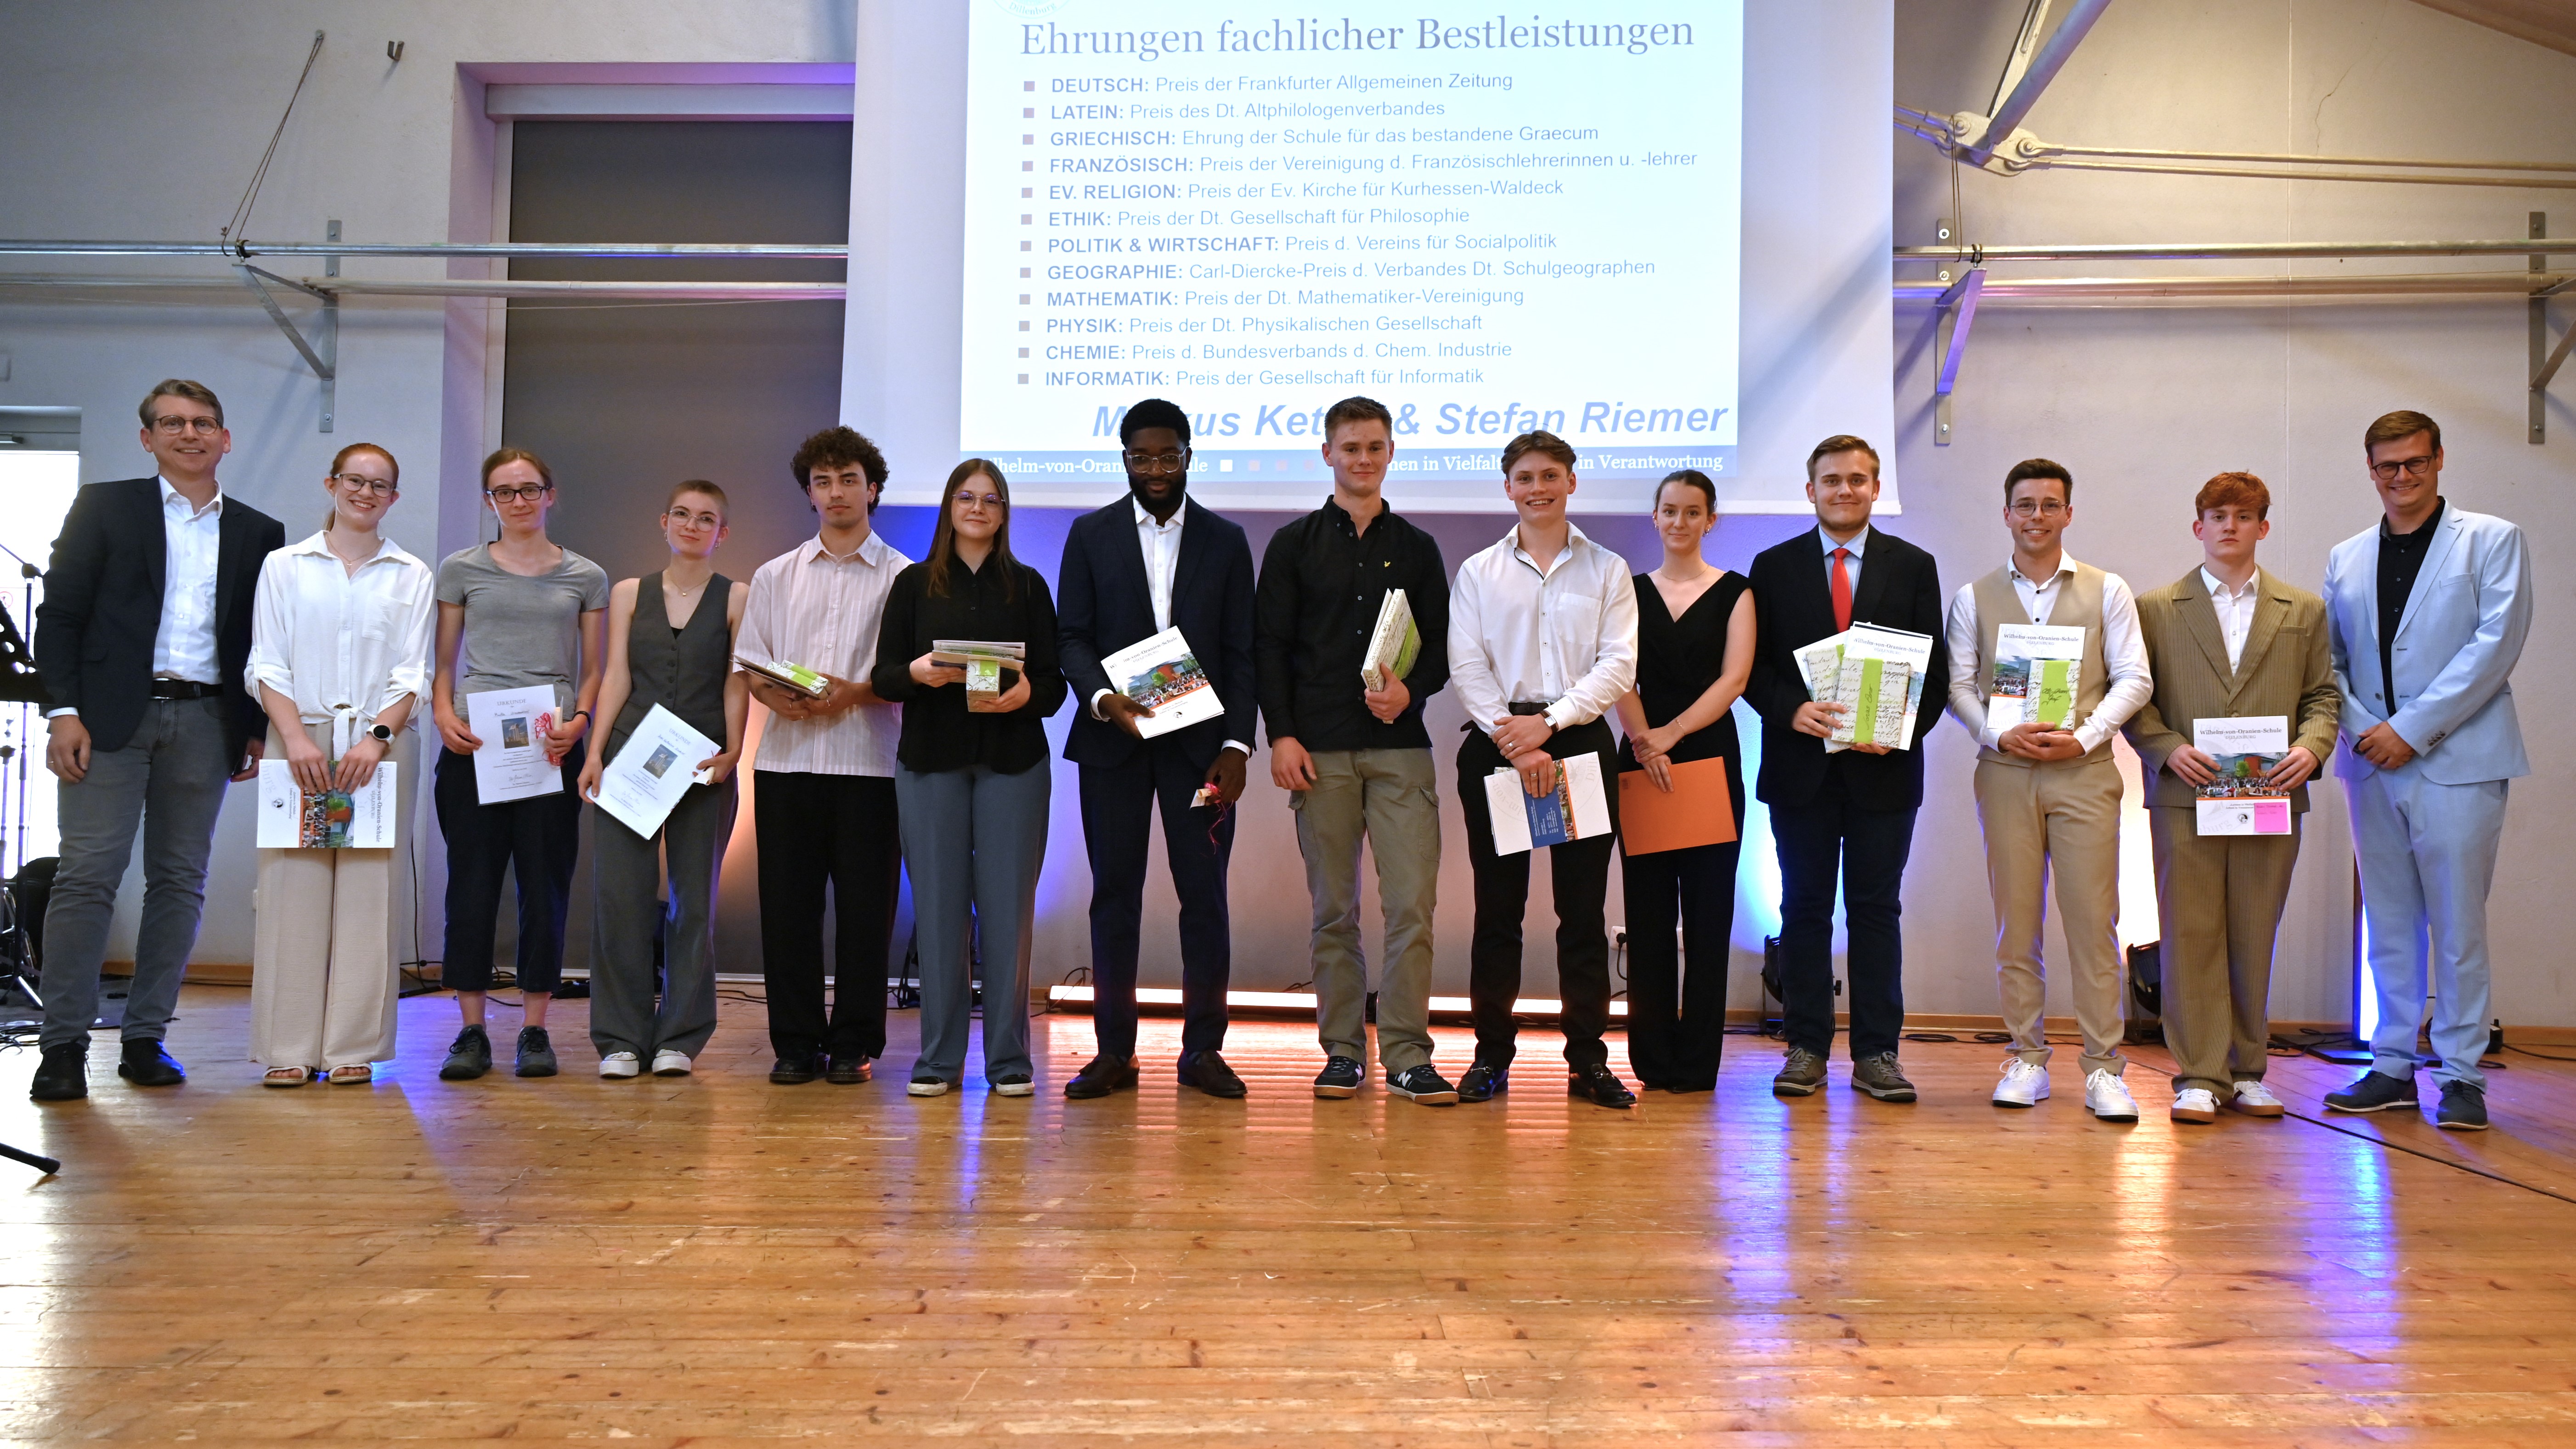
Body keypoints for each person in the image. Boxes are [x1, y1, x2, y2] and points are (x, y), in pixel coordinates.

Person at [28, 379, 285, 1103]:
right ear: (148, 439)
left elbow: (260, 639)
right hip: (107, 720)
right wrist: (63, 711)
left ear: (225, 439)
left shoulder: (259, 531)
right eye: (172, 422)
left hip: (206, 721)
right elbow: (61, 615)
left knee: (178, 881)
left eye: (203, 422)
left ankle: (146, 1037)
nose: (189, 433)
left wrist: (255, 726)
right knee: (86, 877)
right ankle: (63, 1045)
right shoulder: (105, 507)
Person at [2321, 411, 2531, 1132]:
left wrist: (2410, 730)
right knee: (2388, 922)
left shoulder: (2493, 540)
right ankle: (2391, 1066)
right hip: (2371, 763)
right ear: (2371, 469)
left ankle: (2463, 1074)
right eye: (2388, 465)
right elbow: (2329, 661)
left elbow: (2494, 647)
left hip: (2459, 760)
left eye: (2414, 461)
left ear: (2439, 459)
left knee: (2457, 923)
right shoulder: (2347, 556)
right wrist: (2365, 730)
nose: (2402, 476)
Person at [1253, 396, 1454, 1105]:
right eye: (1350, 447)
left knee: (1412, 908)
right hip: (1319, 752)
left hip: (1401, 751)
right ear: (1327, 454)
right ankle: (1343, 1051)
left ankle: (1406, 1055)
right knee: (1333, 912)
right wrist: (1281, 734)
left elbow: (1441, 649)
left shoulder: (1420, 547)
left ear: (1391, 452)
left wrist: (1412, 691)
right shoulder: (1293, 545)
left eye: (1374, 447)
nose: (1363, 458)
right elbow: (1269, 648)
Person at [1056, 399, 1258, 1100]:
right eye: (1141, 457)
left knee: (1204, 897)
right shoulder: (1090, 534)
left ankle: (1203, 1049)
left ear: (1188, 456)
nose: (1156, 468)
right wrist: (1103, 700)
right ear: (1124, 460)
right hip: (1114, 741)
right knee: (1114, 897)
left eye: (1168, 455)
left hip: (1203, 751)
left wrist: (1237, 744)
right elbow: (1072, 637)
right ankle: (1115, 1051)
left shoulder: (1226, 540)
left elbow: (1241, 649)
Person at [2122, 471, 2338, 1125]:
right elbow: (2135, 696)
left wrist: (2313, 748)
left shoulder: (2303, 609)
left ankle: (2247, 1071)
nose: (2229, 527)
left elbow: (2322, 695)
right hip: (2185, 794)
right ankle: (2198, 1074)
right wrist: (2165, 748)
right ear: (2199, 527)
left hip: (2271, 794)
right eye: (2217, 516)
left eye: (2243, 516)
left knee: (2253, 931)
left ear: (2263, 527)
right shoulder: (2156, 607)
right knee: (2190, 934)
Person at [1943, 458, 2153, 1121]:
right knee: (2017, 924)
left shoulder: (2108, 590)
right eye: (2026, 505)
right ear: (2007, 514)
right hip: (2005, 773)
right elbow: (1957, 685)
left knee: (2095, 923)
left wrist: (2086, 737)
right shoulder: (1973, 597)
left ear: (2069, 513)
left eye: (2050, 505)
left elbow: (2135, 678)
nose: (2038, 516)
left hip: (2083, 773)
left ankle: (2104, 1068)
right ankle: (2027, 1057)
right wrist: (1995, 734)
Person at [1746, 435, 1949, 1104]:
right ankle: (1806, 1046)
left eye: (1857, 479)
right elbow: (1753, 669)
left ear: (1875, 488)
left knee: (1875, 911)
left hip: (1883, 773)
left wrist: (1898, 732)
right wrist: (1791, 710)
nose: (1844, 490)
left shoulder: (1913, 565)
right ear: (1811, 490)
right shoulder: (1772, 567)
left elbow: (1935, 673)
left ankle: (1877, 1054)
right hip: (1800, 769)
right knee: (1803, 909)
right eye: (1831, 480)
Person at [1449, 430, 1641, 1110]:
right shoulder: (1478, 572)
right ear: (1508, 488)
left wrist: (1550, 725)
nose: (1539, 488)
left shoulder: (1608, 569)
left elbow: (1619, 665)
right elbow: (1467, 665)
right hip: (1501, 744)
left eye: (1551, 475)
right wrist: (1518, 741)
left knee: (1581, 913)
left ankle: (1588, 1060)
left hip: (1578, 743)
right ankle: (1490, 1056)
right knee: (1498, 913)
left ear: (1572, 481)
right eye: (1526, 478)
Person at [870, 460, 1066, 1098]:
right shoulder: (913, 584)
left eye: (991, 499)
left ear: (1004, 512)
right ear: (949, 508)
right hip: (931, 762)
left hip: (1015, 763)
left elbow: (1054, 685)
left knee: (1009, 915)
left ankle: (1008, 1061)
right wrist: (918, 672)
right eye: (966, 497)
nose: (978, 508)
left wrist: (1029, 692)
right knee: (938, 914)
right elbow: (884, 677)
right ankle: (938, 1060)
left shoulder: (1029, 586)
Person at [243, 443, 435, 1087]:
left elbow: (414, 672)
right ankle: (289, 1046)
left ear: (394, 498)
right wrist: (294, 738)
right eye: (355, 480)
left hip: (377, 744)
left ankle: (353, 1045)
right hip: (299, 737)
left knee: (368, 893)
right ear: (332, 484)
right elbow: (266, 662)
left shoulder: (411, 573)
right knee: (291, 889)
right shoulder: (285, 566)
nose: (365, 493)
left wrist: (376, 739)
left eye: (380, 485)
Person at [734, 427, 911, 1085]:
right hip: (786, 765)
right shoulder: (775, 574)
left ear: (873, 488)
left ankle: (854, 1043)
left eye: (849, 480)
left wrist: (854, 694)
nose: (836, 492)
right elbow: (750, 663)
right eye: (823, 481)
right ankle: (795, 1042)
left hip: (872, 766)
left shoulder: (906, 577)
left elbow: (909, 676)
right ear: (809, 493)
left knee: (867, 916)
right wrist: (772, 696)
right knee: (788, 913)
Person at [429, 448, 609, 1081]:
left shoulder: (585, 575)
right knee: (471, 886)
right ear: (490, 502)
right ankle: (472, 1029)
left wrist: (580, 720)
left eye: (530, 489)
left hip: (550, 744)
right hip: (474, 745)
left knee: (545, 885)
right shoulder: (461, 569)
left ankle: (535, 1028)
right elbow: (443, 662)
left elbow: (593, 669)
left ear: (550, 495)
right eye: (504, 492)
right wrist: (443, 713)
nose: (518, 501)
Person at [575, 482, 749, 1081]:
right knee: (619, 899)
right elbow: (617, 677)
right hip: (630, 759)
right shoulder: (629, 592)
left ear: (722, 533)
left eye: (706, 519)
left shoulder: (737, 596)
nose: (692, 525)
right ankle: (620, 1038)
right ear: (664, 522)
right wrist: (594, 753)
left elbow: (735, 681)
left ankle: (679, 1036)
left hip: (705, 765)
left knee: (692, 903)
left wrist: (733, 752)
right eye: (682, 514)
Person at [1612, 469, 1753, 1094]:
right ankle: (1652, 1059)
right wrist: (1646, 740)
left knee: (1708, 916)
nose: (1679, 522)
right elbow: (1619, 674)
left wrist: (1670, 733)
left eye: (1692, 512)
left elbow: (1734, 679)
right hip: (1642, 760)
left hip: (1707, 760)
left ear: (1710, 520)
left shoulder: (1736, 592)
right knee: (1646, 917)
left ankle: (1696, 1063)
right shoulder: (1628, 591)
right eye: (1669, 511)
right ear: (1655, 517)